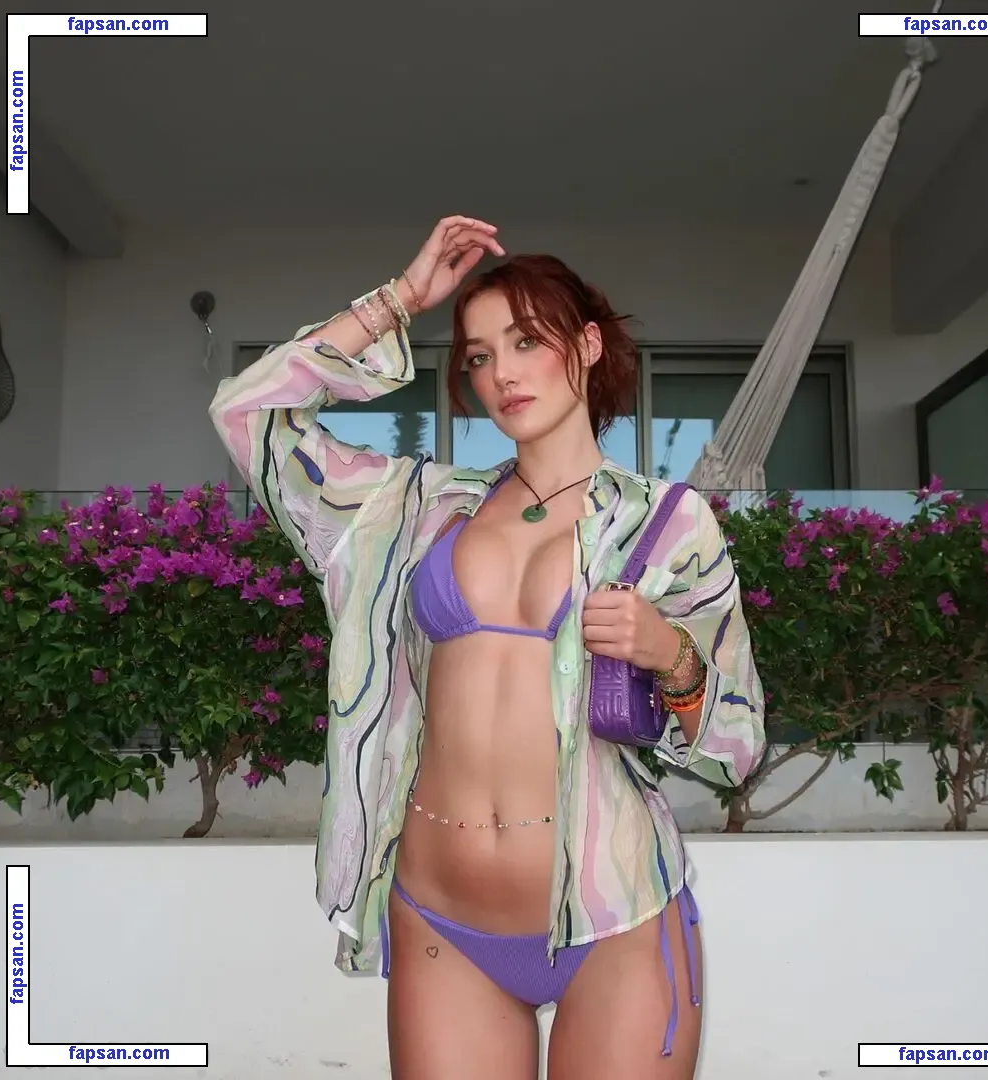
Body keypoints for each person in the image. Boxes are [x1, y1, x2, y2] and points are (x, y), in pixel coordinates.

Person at [209, 215, 765, 1080]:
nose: (501, 372)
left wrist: (673, 657)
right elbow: (249, 415)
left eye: (526, 341)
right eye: (477, 354)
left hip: (617, 919)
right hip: (442, 923)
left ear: (587, 345)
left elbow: (737, 746)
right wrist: (400, 300)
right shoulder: (413, 509)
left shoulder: (667, 522)